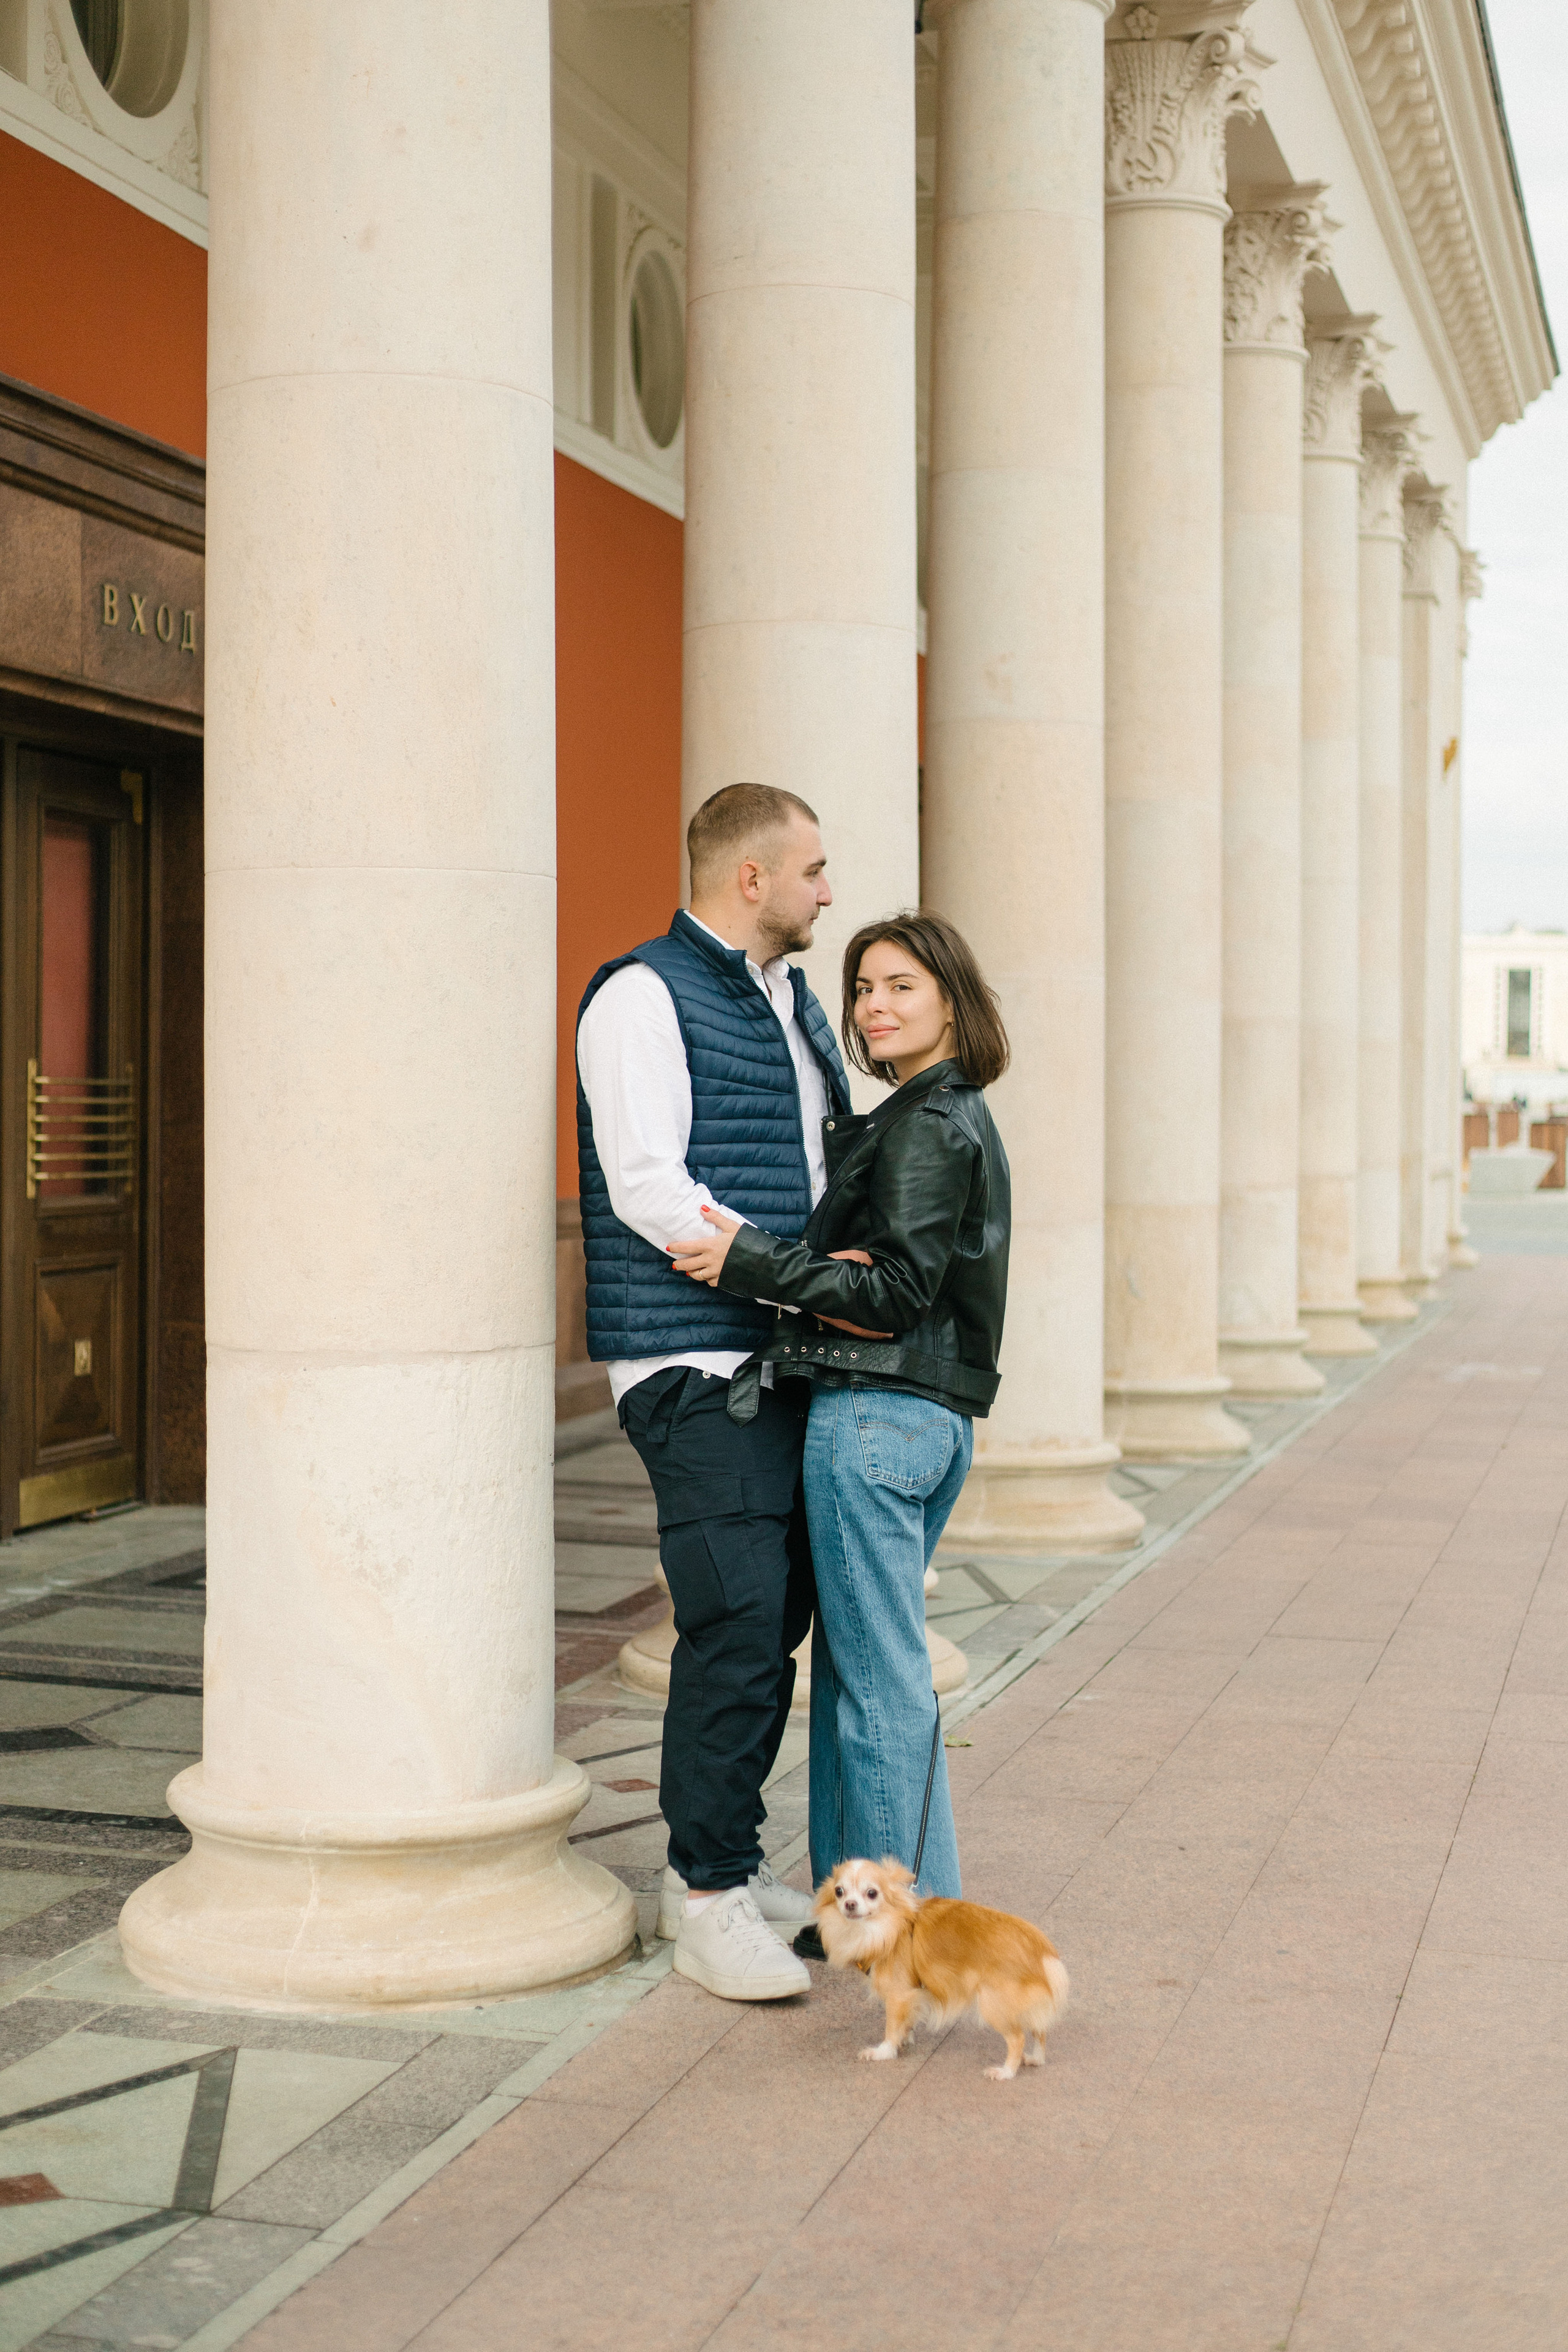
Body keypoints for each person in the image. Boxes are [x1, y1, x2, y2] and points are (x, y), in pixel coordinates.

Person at [669, 910, 1011, 1904]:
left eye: (903, 985)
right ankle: (846, 1907)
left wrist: (754, 1261)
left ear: (952, 998)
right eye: (864, 987)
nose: (875, 1004)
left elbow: (893, 1293)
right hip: (911, 1418)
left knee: (880, 1690)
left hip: (876, 1418)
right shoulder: (936, 1114)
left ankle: (914, 1926)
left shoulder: (928, 1124)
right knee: (865, 1680)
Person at [575, 782, 852, 2002]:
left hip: (777, 1350)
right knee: (735, 1619)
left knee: (772, 1617)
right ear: (750, 877)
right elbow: (648, 1184)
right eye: (812, 871)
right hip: (692, 1359)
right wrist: (790, 1275)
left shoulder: (790, 1004)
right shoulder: (640, 994)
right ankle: (703, 1901)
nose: (826, 894)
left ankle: (728, 1870)